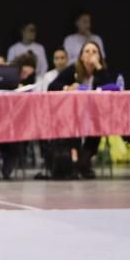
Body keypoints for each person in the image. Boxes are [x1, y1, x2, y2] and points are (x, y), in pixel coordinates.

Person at [47, 41, 111, 179]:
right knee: (70, 127)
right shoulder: (73, 69)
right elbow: (52, 86)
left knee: (97, 126)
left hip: (94, 115)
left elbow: (110, 87)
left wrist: (99, 67)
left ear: (100, 56)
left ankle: (85, 160)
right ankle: (73, 161)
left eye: (94, 52)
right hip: (73, 115)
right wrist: (67, 88)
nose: (90, 55)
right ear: (81, 56)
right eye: (87, 51)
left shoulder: (100, 72)